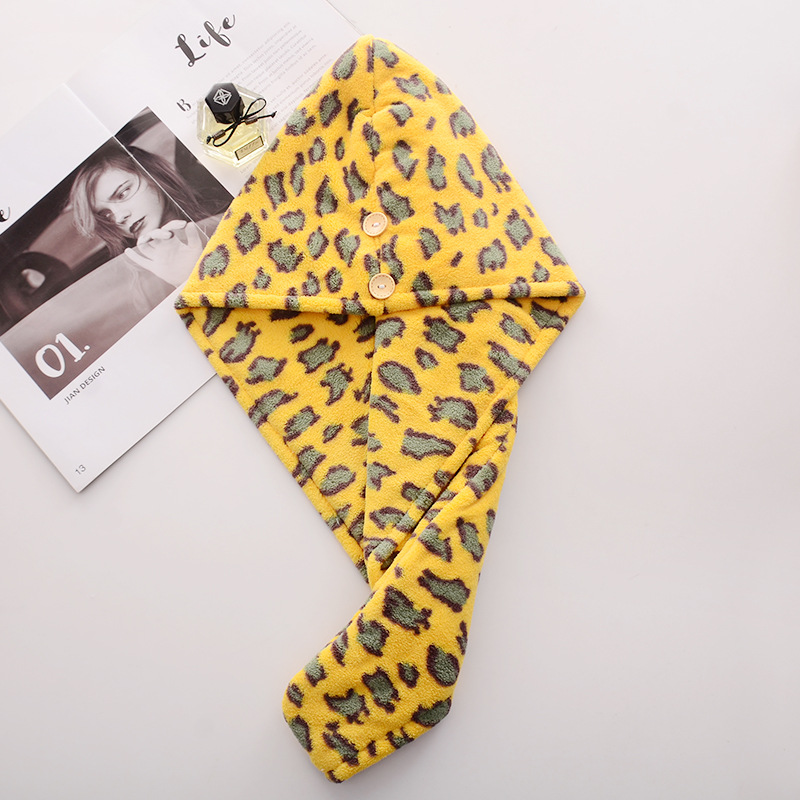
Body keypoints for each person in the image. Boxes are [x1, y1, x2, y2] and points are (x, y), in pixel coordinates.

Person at [69, 144, 220, 287]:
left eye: (123, 194)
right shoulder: (140, 283)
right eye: (106, 215)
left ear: (152, 175)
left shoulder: (222, 215)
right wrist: (184, 280)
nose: (119, 218)